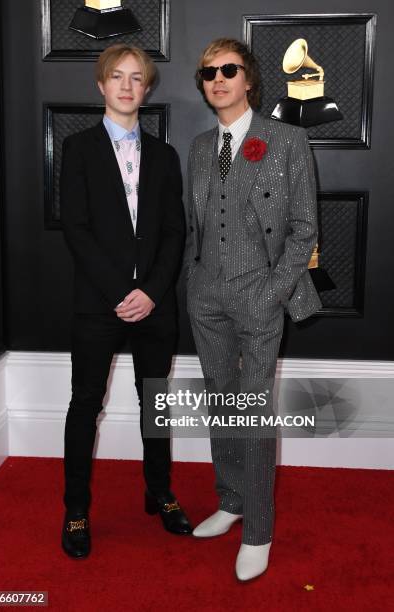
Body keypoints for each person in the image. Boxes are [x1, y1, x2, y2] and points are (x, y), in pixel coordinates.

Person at [185, 38, 321, 580]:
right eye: (207, 73)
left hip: (259, 293)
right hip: (206, 297)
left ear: (248, 79)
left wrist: (272, 291)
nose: (216, 79)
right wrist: (195, 284)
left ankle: (258, 530)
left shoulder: (286, 140)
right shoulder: (198, 147)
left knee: (255, 409)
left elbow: (304, 227)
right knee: (221, 402)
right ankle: (232, 500)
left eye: (228, 69)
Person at [60, 43, 191, 559]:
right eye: (117, 76)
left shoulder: (165, 155)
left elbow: (176, 233)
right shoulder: (79, 150)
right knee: (84, 406)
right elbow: (76, 228)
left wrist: (151, 293)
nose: (127, 86)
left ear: (147, 87)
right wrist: (121, 294)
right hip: (99, 305)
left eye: (137, 78)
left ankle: (159, 492)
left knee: (155, 406)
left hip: (155, 307)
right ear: (101, 85)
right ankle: (75, 509)